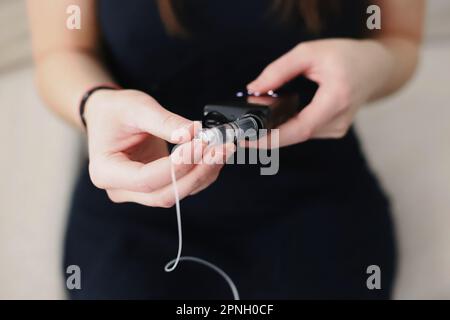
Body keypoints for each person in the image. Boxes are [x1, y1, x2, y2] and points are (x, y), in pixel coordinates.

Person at [27, 0, 424, 299]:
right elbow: (61, 51)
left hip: (316, 200)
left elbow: (401, 39)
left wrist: (375, 64)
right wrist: (94, 103)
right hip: (140, 202)